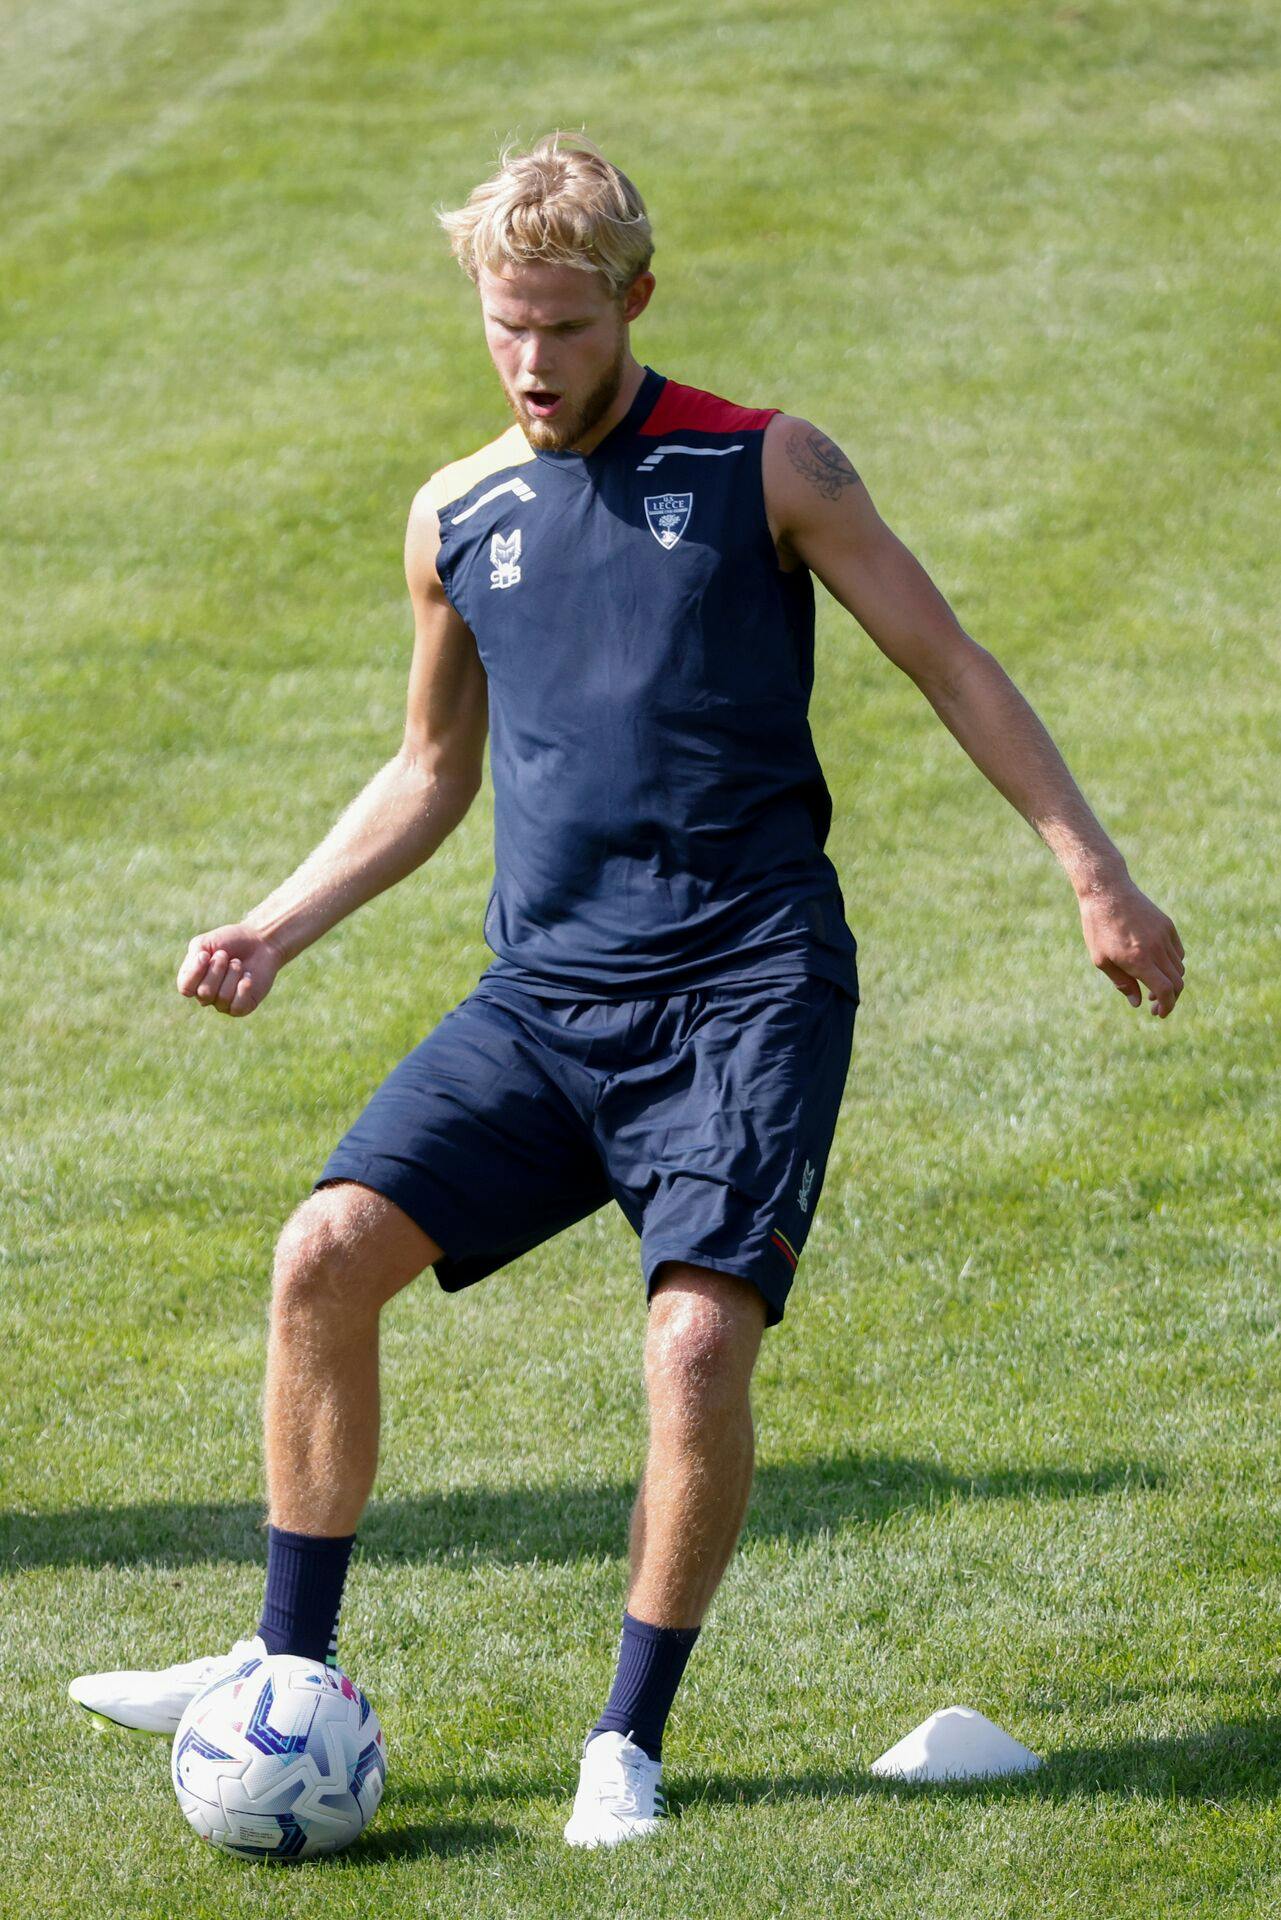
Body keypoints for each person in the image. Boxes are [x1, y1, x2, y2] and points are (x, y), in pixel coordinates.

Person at [69, 132, 1184, 1849]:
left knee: (688, 1345)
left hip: (745, 989)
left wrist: (1089, 870)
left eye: (565, 332)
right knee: (321, 1258)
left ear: (634, 306)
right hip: (547, 998)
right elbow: (430, 771)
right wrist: (277, 926)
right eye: (505, 327)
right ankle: (283, 1674)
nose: (530, 365)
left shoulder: (768, 466)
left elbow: (950, 659)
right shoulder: (457, 515)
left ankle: (625, 1747)